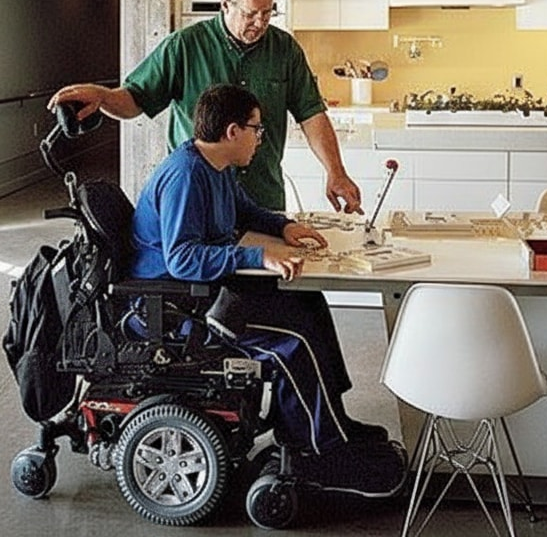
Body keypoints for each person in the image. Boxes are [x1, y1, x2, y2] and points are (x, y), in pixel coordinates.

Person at [129, 83, 383, 456]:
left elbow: (244, 211)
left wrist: (282, 227)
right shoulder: (186, 176)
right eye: (257, 129)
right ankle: (317, 445)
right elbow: (181, 259)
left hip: (205, 288)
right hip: (174, 303)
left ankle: (329, 419)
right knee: (292, 342)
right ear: (232, 132)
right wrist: (257, 257)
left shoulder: (216, 167)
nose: (260, 139)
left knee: (308, 302)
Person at [49, 0, 361, 214]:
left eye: (268, 13)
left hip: (261, 196)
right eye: (251, 13)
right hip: (197, 198)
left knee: (262, 285)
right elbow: (135, 100)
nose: (261, 22)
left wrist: (336, 171)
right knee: (203, 284)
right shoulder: (184, 45)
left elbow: (312, 115)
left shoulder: (284, 50)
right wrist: (103, 96)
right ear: (225, 4)